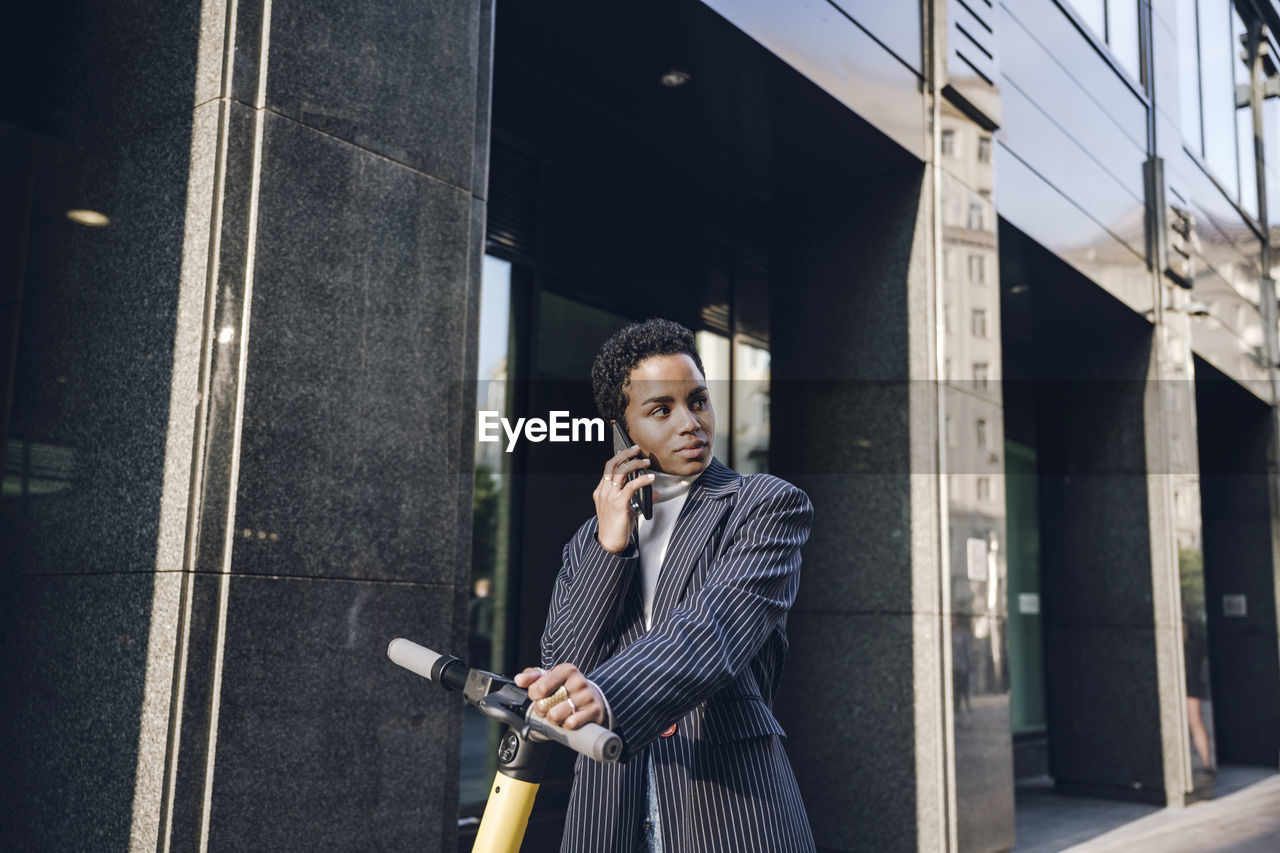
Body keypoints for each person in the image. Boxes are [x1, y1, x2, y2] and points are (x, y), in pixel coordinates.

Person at [513, 318, 816, 853]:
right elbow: (566, 658)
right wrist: (611, 548)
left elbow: (714, 631)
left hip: (731, 807)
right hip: (610, 808)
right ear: (623, 429)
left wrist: (609, 693)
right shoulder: (591, 539)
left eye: (698, 401)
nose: (691, 423)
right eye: (661, 410)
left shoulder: (765, 505)